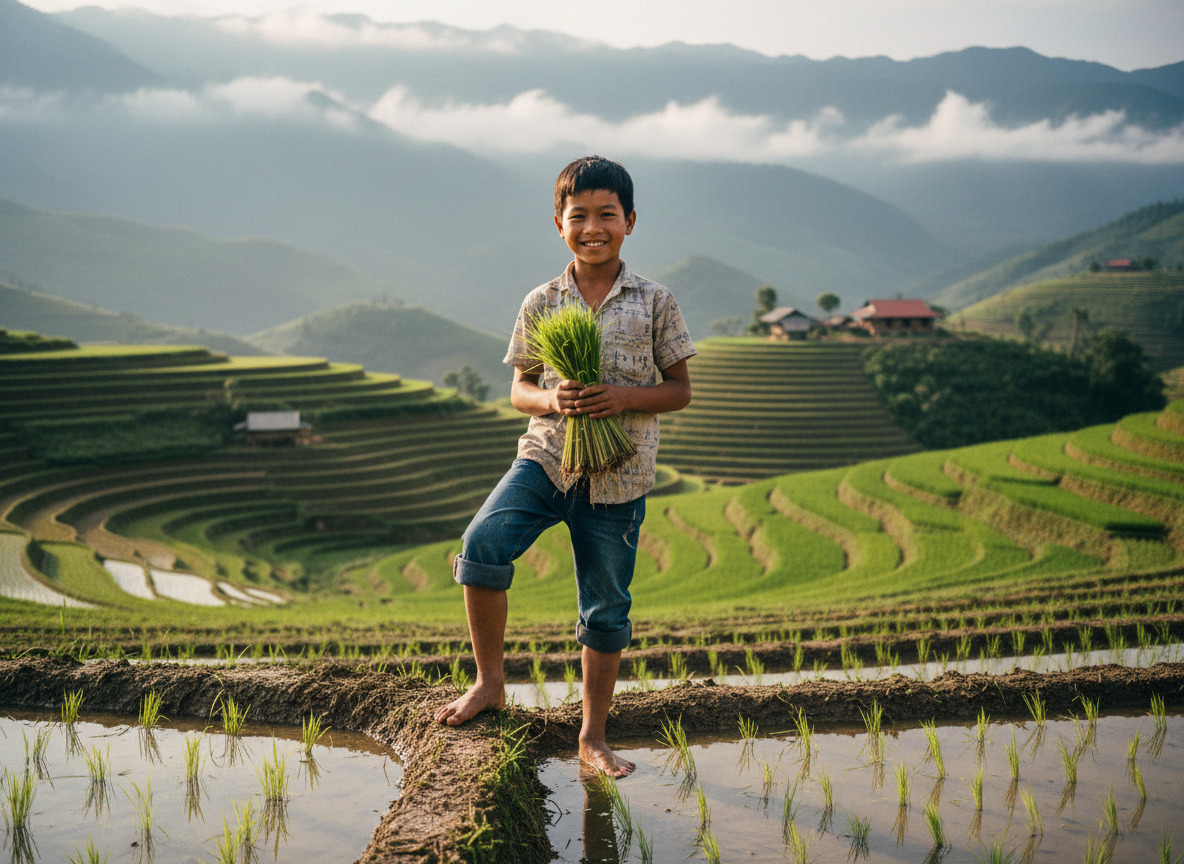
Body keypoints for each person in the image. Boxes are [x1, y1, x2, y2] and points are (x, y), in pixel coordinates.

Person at [433, 155, 696, 777]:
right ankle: (490, 684)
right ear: (559, 223)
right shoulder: (542, 301)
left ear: (630, 221)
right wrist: (555, 398)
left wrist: (623, 397)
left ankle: (593, 736)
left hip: (619, 476)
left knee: (605, 608)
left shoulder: (655, 301)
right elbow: (521, 387)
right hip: (547, 459)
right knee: (482, 547)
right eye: (579, 216)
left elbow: (680, 388)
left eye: (608, 215)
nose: (593, 227)